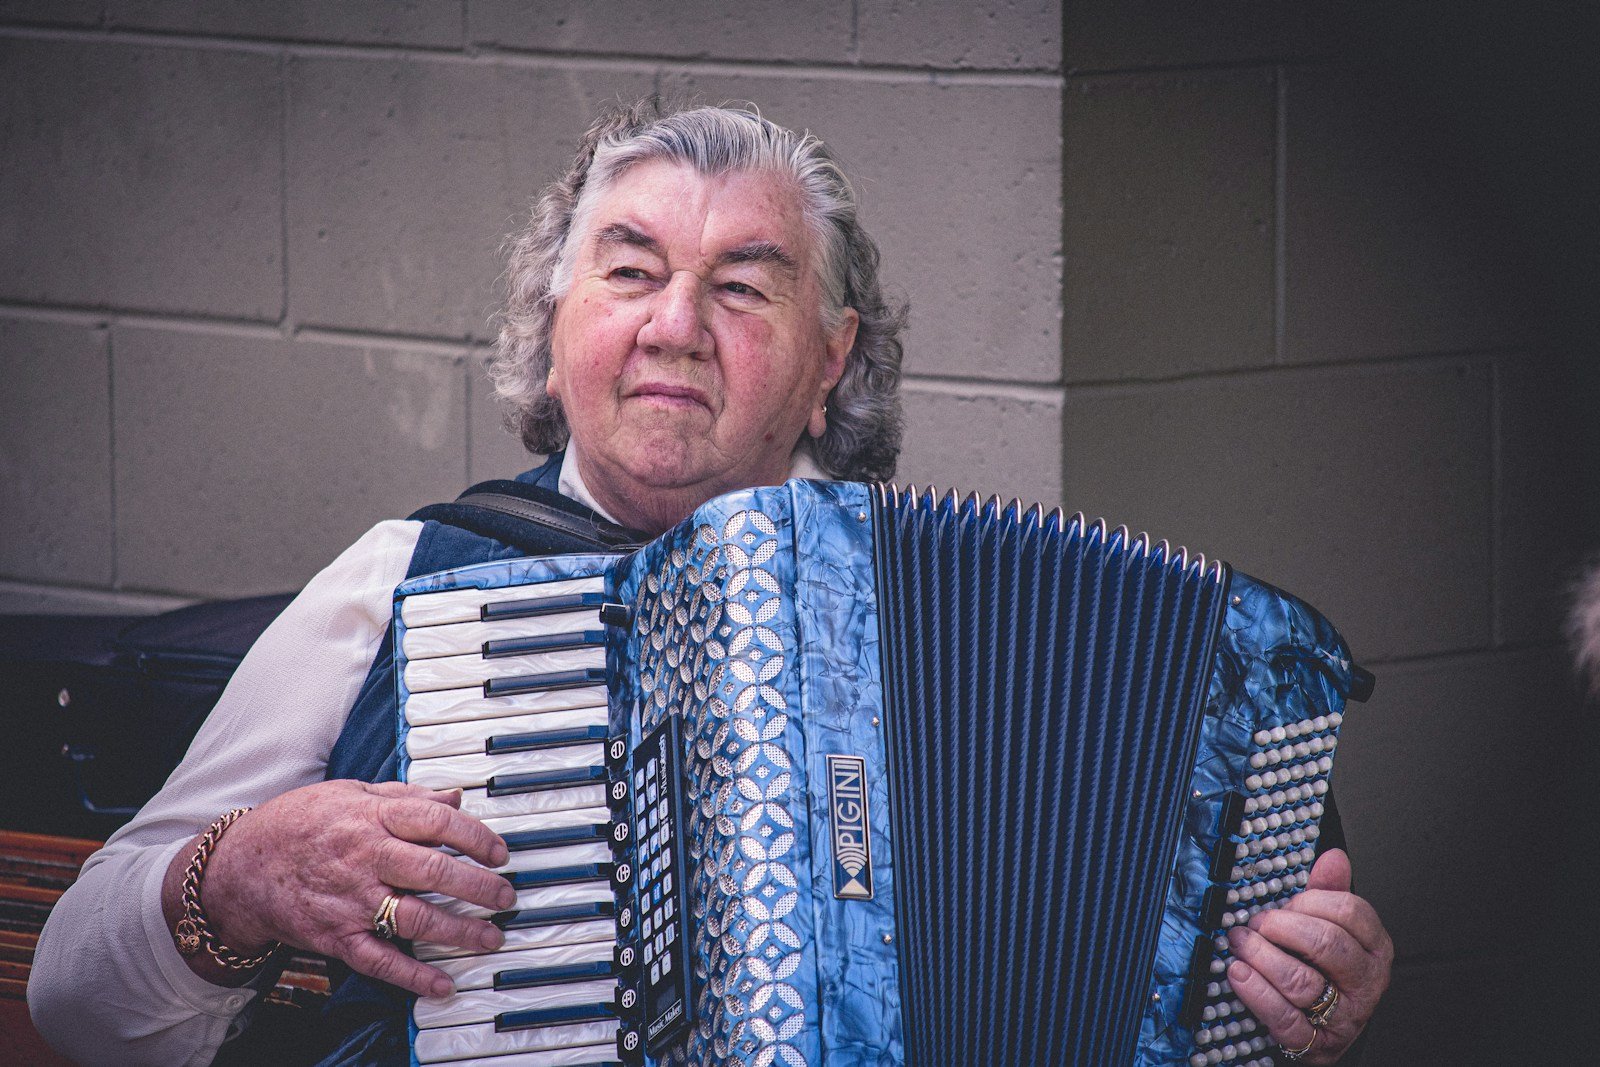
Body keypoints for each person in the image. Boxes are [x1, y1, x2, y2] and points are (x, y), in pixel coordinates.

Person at [29, 99, 1391, 1066]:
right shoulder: (406, 580)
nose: (675, 325)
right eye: (630, 274)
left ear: (831, 362)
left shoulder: (1018, 629)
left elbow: (1258, 997)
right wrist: (234, 879)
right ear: (552, 332)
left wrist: (1304, 999)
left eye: (746, 288)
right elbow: (71, 1000)